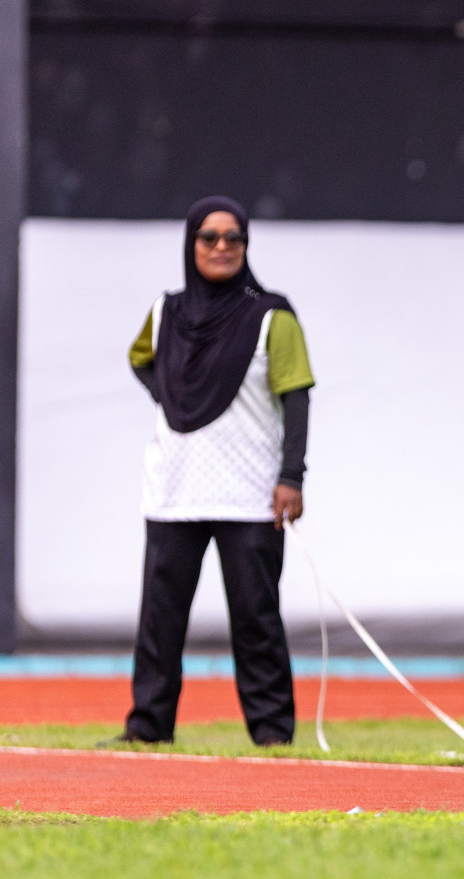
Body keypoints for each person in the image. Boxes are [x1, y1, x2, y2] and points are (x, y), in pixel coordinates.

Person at [111, 196, 314, 747]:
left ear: (246, 245)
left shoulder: (272, 313)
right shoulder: (166, 311)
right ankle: (148, 727)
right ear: (190, 243)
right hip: (174, 488)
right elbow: (141, 360)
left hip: (250, 492)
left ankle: (272, 734)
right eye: (209, 237)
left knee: (255, 618)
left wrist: (291, 477)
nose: (221, 247)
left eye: (233, 238)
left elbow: (296, 397)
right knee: (160, 618)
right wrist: (170, 397)